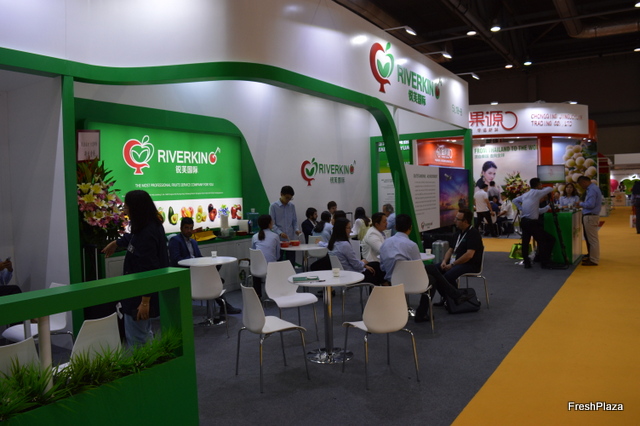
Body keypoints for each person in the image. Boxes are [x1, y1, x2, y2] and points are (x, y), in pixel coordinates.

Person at [102, 190, 169, 346]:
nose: (125, 211)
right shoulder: (146, 226)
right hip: (137, 292)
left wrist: (145, 301)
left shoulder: (148, 233)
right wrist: (117, 243)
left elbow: (149, 268)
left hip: (140, 296)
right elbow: (132, 237)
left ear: (136, 208)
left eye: (127, 207)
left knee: (137, 339)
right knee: (144, 333)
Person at [379, 214, 473, 322]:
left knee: (432, 273)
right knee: (432, 276)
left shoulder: (385, 243)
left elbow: (382, 266)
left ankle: (453, 295)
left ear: (395, 227)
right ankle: (426, 311)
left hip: (392, 279)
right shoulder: (411, 245)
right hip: (409, 281)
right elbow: (418, 268)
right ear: (410, 228)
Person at [168, 217, 241, 314]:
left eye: (191, 228)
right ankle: (224, 305)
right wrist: (193, 262)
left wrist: (207, 261)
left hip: (197, 270)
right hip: (184, 272)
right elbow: (176, 259)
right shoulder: (175, 240)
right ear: (181, 228)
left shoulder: (193, 242)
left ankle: (222, 299)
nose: (189, 230)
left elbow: (199, 257)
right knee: (212, 279)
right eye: (186, 228)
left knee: (215, 268)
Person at [512, 178, 556, 269]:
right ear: (538, 185)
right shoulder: (536, 193)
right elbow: (550, 189)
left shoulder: (526, 194)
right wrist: (545, 186)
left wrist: (521, 208)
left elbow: (515, 200)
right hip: (532, 223)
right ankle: (545, 262)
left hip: (524, 221)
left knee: (525, 241)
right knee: (546, 240)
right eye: (540, 184)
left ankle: (527, 262)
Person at [327, 217, 383, 285]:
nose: (350, 231)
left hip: (342, 273)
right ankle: (382, 287)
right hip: (352, 275)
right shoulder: (344, 245)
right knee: (376, 269)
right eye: (348, 228)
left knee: (375, 265)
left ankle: (382, 286)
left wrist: (362, 263)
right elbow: (355, 264)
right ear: (341, 229)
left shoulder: (332, 243)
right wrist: (364, 265)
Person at [269, 185, 301, 263]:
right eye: (287, 198)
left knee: (291, 261)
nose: (288, 200)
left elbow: (294, 221)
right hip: (279, 239)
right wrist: (280, 233)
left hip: (290, 238)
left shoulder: (292, 206)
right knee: (279, 261)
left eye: (290, 198)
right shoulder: (273, 206)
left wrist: (296, 229)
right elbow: (272, 223)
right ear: (281, 194)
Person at [251, 214, 281, 298]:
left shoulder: (254, 237)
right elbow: (277, 255)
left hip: (257, 269)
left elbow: (254, 252)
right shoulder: (275, 236)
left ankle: (257, 295)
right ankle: (273, 293)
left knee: (256, 266)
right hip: (271, 267)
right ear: (269, 224)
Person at [578, 176, 603, 266]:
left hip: (590, 216)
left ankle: (594, 259)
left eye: (581, 184)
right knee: (592, 239)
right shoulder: (594, 188)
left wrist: (580, 204)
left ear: (584, 182)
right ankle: (592, 256)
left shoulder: (592, 190)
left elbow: (590, 204)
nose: (581, 187)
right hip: (592, 216)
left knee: (592, 239)